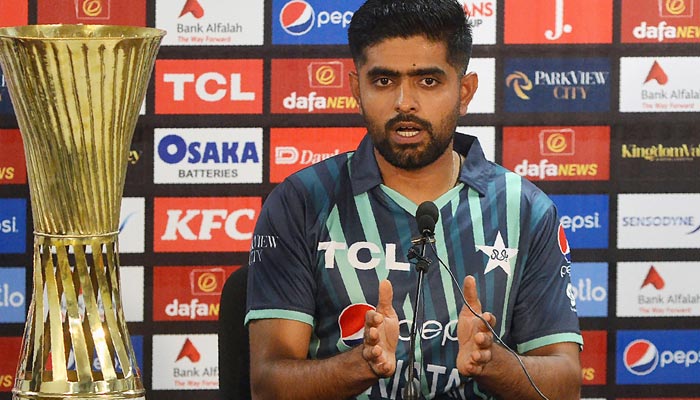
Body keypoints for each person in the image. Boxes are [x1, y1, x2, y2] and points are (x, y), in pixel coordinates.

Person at [244, 0, 583, 398]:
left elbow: (565, 385)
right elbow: (268, 386)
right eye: (384, 81)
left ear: (465, 91)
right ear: (357, 89)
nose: (404, 102)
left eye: (428, 81)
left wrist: (492, 362)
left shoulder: (524, 210)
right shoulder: (301, 202)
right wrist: (363, 363)